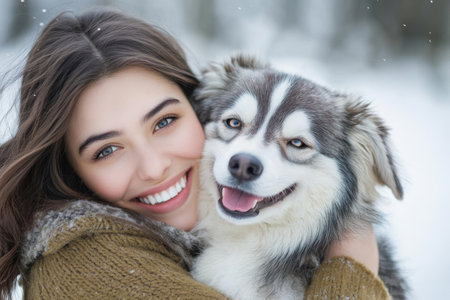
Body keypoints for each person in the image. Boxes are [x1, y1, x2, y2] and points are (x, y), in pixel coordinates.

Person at [0, 9, 390, 299]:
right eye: (107, 150)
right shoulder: (90, 271)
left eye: (165, 122)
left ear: (196, 105)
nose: (155, 168)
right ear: (68, 168)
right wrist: (350, 272)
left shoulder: (178, 241)